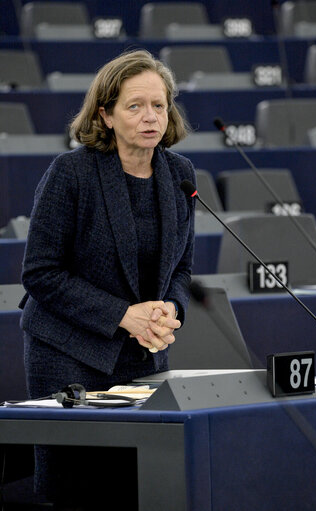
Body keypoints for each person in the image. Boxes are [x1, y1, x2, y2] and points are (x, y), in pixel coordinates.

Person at [19, 49, 196, 509]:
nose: (150, 117)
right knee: (80, 490)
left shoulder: (178, 173)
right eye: (135, 106)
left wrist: (170, 309)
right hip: (68, 353)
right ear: (106, 114)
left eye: (159, 105)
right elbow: (40, 272)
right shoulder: (71, 173)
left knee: (141, 486)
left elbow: (181, 267)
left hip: (144, 356)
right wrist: (122, 315)